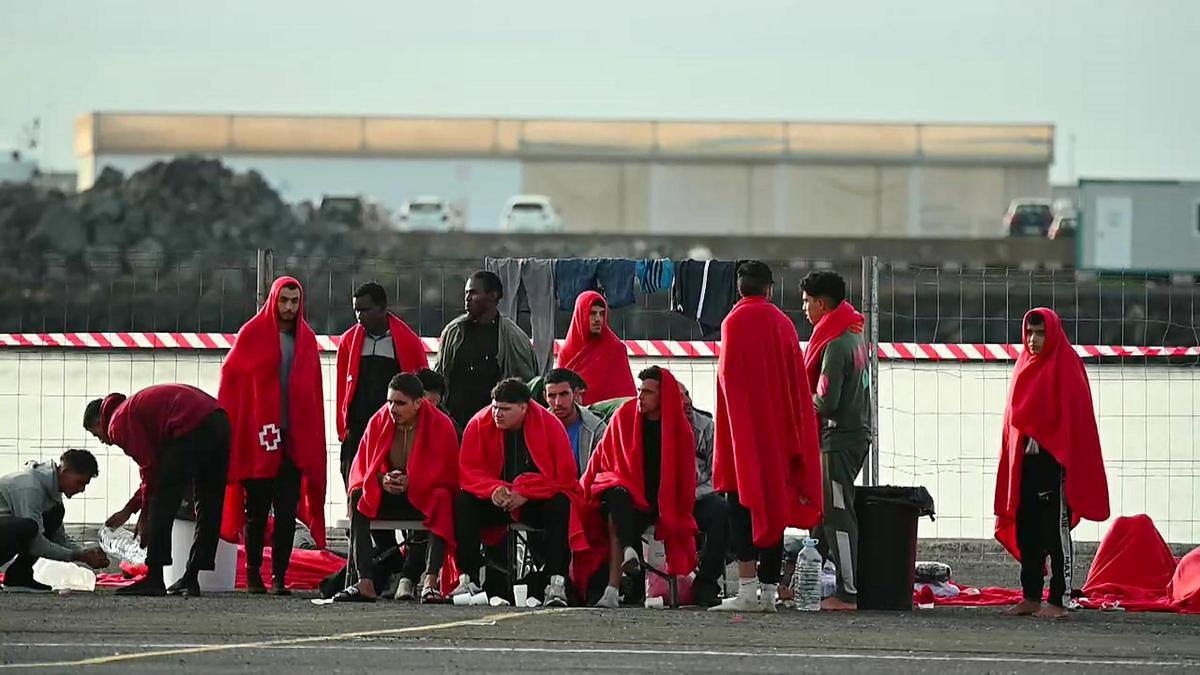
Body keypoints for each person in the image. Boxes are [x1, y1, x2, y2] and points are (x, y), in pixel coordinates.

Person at [711, 261, 822, 613]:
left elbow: (728, 378)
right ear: (770, 289)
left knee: (741, 502)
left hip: (742, 434)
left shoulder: (732, 323)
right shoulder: (784, 324)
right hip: (777, 432)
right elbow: (796, 382)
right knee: (774, 502)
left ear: (739, 289)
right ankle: (770, 591)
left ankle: (746, 590)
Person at [996, 308, 1110, 619]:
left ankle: (1059, 599)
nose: (1033, 340)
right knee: (1027, 530)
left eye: (1040, 333)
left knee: (1055, 532)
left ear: (1053, 333)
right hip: (1026, 463)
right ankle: (1031, 594)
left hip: (1054, 463)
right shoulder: (1023, 364)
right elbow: (1013, 422)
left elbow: (1076, 419)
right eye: (1030, 333)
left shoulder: (1067, 364)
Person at [219, 276, 327, 595]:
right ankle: (254, 573)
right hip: (258, 439)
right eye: (284, 301)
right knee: (255, 512)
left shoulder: (306, 340)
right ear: (274, 300)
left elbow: (312, 394)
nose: (290, 308)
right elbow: (231, 380)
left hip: (292, 441)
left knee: (286, 514)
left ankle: (279, 575)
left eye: (295, 301)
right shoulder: (251, 334)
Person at [84, 384, 230, 596]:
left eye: (97, 435)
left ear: (99, 421)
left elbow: (150, 470)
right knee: (209, 504)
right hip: (218, 421)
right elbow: (156, 469)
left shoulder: (117, 422)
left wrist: (143, 515)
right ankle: (191, 576)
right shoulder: (135, 411)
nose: (104, 442)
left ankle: (154, 578)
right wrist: (131, 510)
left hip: (191, 426)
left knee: (161, 501)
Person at [453, 378, 588, 607]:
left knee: (563, 504)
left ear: (524, 407)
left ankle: (556, 582)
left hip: (533, 501)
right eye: (495, 407)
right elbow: (467, 472)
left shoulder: (550, 426)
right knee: (464, 502)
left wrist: (526, 492)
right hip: (496, 500)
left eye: (505, 409)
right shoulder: (478, 424)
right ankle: (468, 578)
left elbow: (564, 477)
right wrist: (492, 489)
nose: (497, 414)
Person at [333, 374, 459, 603]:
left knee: (443, 497)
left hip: (423, 496)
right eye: (390, 401)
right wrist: (382, 480)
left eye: (400, 403)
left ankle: (430, 582)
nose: (393, 408)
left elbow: (448, 475)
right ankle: (365, 581)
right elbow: (363, 467)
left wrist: (414, 481)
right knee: (358, 495)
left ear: (418, 403)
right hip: (389, 493)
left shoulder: (441, 425)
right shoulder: (379, 420)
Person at [582, 367, 696, 608]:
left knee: (618, 513)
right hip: (627, 496)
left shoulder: (680, 430)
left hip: (661, 502)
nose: (640, 397)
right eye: (639, 390)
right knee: (617, 497)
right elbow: (606, 459)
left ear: (662, 396)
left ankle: (616, 581)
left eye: (648, 392)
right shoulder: (624, 416)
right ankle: (625, 559)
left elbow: (686, 478)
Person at [801, 270, 871, 611]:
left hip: (838, 438)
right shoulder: (853, 333)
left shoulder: (834, 343)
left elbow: (826, 400)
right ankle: (802, 580)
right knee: (823, 509)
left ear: (821, 303)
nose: (803, 308)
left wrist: (801, 398)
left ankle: (848, 592)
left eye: (806, 302)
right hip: (855, 432)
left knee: (838, 513)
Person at [335, 282, 429, 486]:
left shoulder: (407, 341)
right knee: (353, 480)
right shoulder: (348, 341)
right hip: (358, 425)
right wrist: (344, 426)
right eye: (356, 310)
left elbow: (420, 385)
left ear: (382, 308)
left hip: (392, 423)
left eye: (365, 310)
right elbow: (343, 387)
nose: (360, 316)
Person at [434, 271, 538, 431]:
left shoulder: (513, 338)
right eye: (466, 293)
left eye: (473, 293)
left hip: (493, 426)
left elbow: (525, 387)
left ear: (493, 296)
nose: (467, 298)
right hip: (453, 422)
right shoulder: (454, 332)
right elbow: (439, 375)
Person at [0, 449, 109, 592]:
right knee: (28, 528)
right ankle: (18, 575)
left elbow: (58, 538)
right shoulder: (30, 488)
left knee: (53, 515)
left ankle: (19, 577)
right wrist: (79, 556)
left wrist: (84, 551)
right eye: (80, 482)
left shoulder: (52, 494)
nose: (81, 489)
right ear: (65, 471)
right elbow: (36, 545)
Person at [680, 382, 729, 608]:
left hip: (698, 498)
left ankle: (707, 584)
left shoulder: (707, 427)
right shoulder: (652, 426)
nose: (687, 401)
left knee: (722, 510)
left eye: (687, 394)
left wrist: (692, 495)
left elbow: (716, 476)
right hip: (662, 501)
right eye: (679, 397)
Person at [555, 291, 636, 405]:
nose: (598, 319)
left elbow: (627, 399)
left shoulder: (616, 349)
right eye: (592, 313)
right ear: (581, 314)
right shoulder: (566, 353)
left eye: (602, 314)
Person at [543, 368, 608, 474]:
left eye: (564, 394)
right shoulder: (536, 426)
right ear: (545, 397)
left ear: (576, 393)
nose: (558, 402)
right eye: (552, 396)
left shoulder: (596, 429)